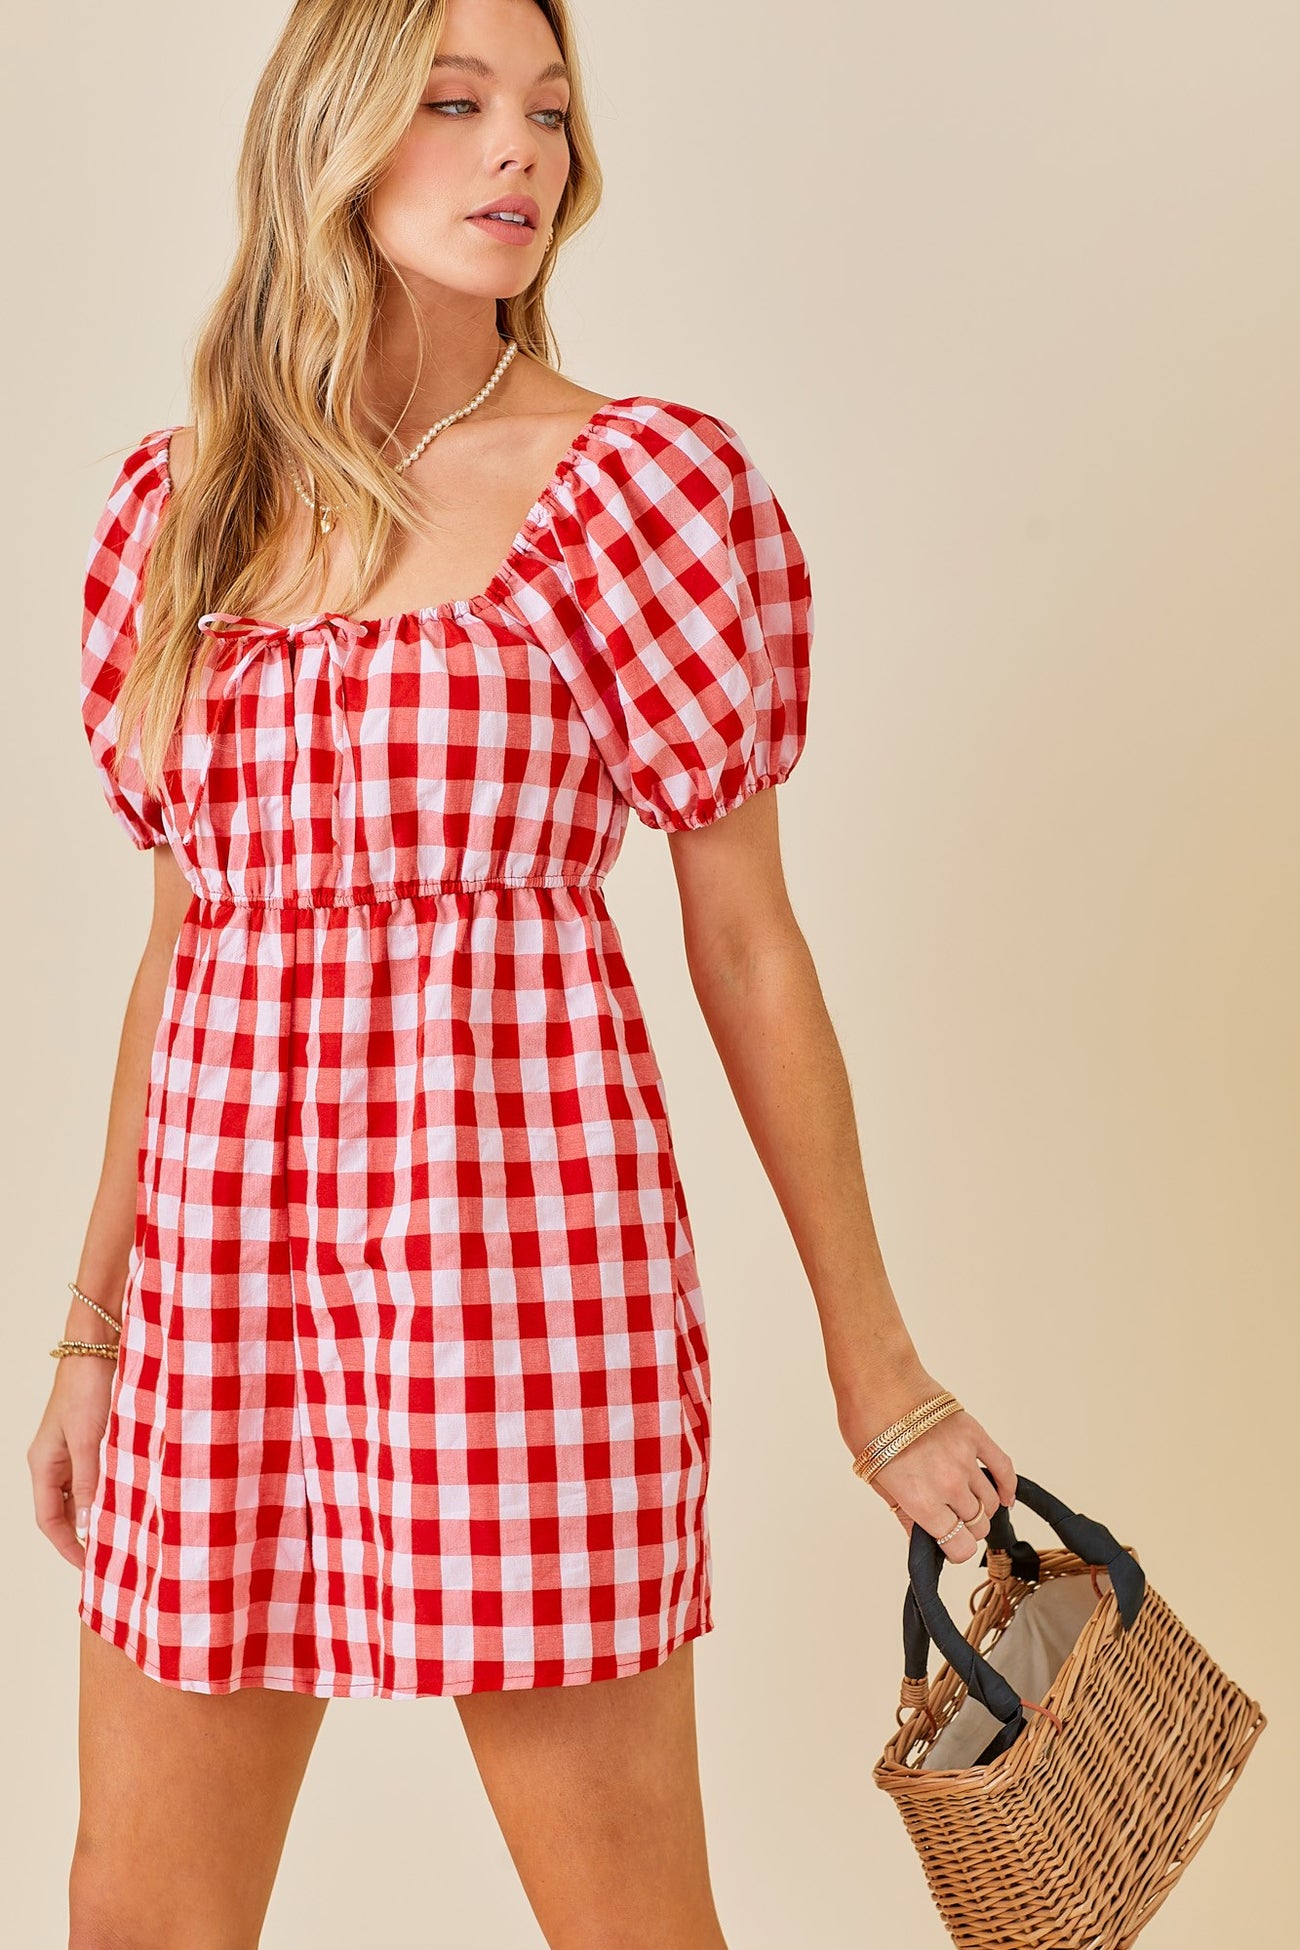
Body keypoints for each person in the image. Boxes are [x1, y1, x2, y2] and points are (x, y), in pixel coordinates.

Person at [29, 1, 1017, 1943]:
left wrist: (879, 1373)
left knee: (627, 1917)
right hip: (221, 1287)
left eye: (549, 112)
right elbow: (178, 950)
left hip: (524, 1269)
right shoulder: (187, 507)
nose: (520, 153)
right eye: (457, 102)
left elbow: (747, 943)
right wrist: (90, 1327)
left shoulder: (637, 493)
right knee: (136, 1913)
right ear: (331, 133)